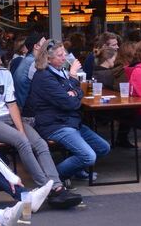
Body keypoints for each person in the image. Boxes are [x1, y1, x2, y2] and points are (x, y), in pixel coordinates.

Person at [0, 39, 80, 208]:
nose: (0, 61)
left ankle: (57, 186)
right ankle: (48, 189)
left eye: (0, 58)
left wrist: (21, 128)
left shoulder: (5, 73)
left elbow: (12, 104)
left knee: (39, 143)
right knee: (22, 141)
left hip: (9, 117)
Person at [24, 40, 110, 183]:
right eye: (60, 55)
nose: (64, 57)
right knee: (88, 156)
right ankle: (54, 177)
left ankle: (75, 171)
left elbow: (76, 93)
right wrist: (73, 80)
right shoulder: (44, 77)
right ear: (48, 58)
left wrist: (73, 90)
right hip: (55, 125)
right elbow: (70, 102)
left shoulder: (60, 72)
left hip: (70, 122)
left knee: (103, 148)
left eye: (64, 53)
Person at [12, 32, 46, 109]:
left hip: (23, 105)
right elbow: (44, 85)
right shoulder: (34, 62)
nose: (48, 46)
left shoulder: (28, 60)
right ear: (36, 46)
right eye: (44, 43)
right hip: (28, 110)